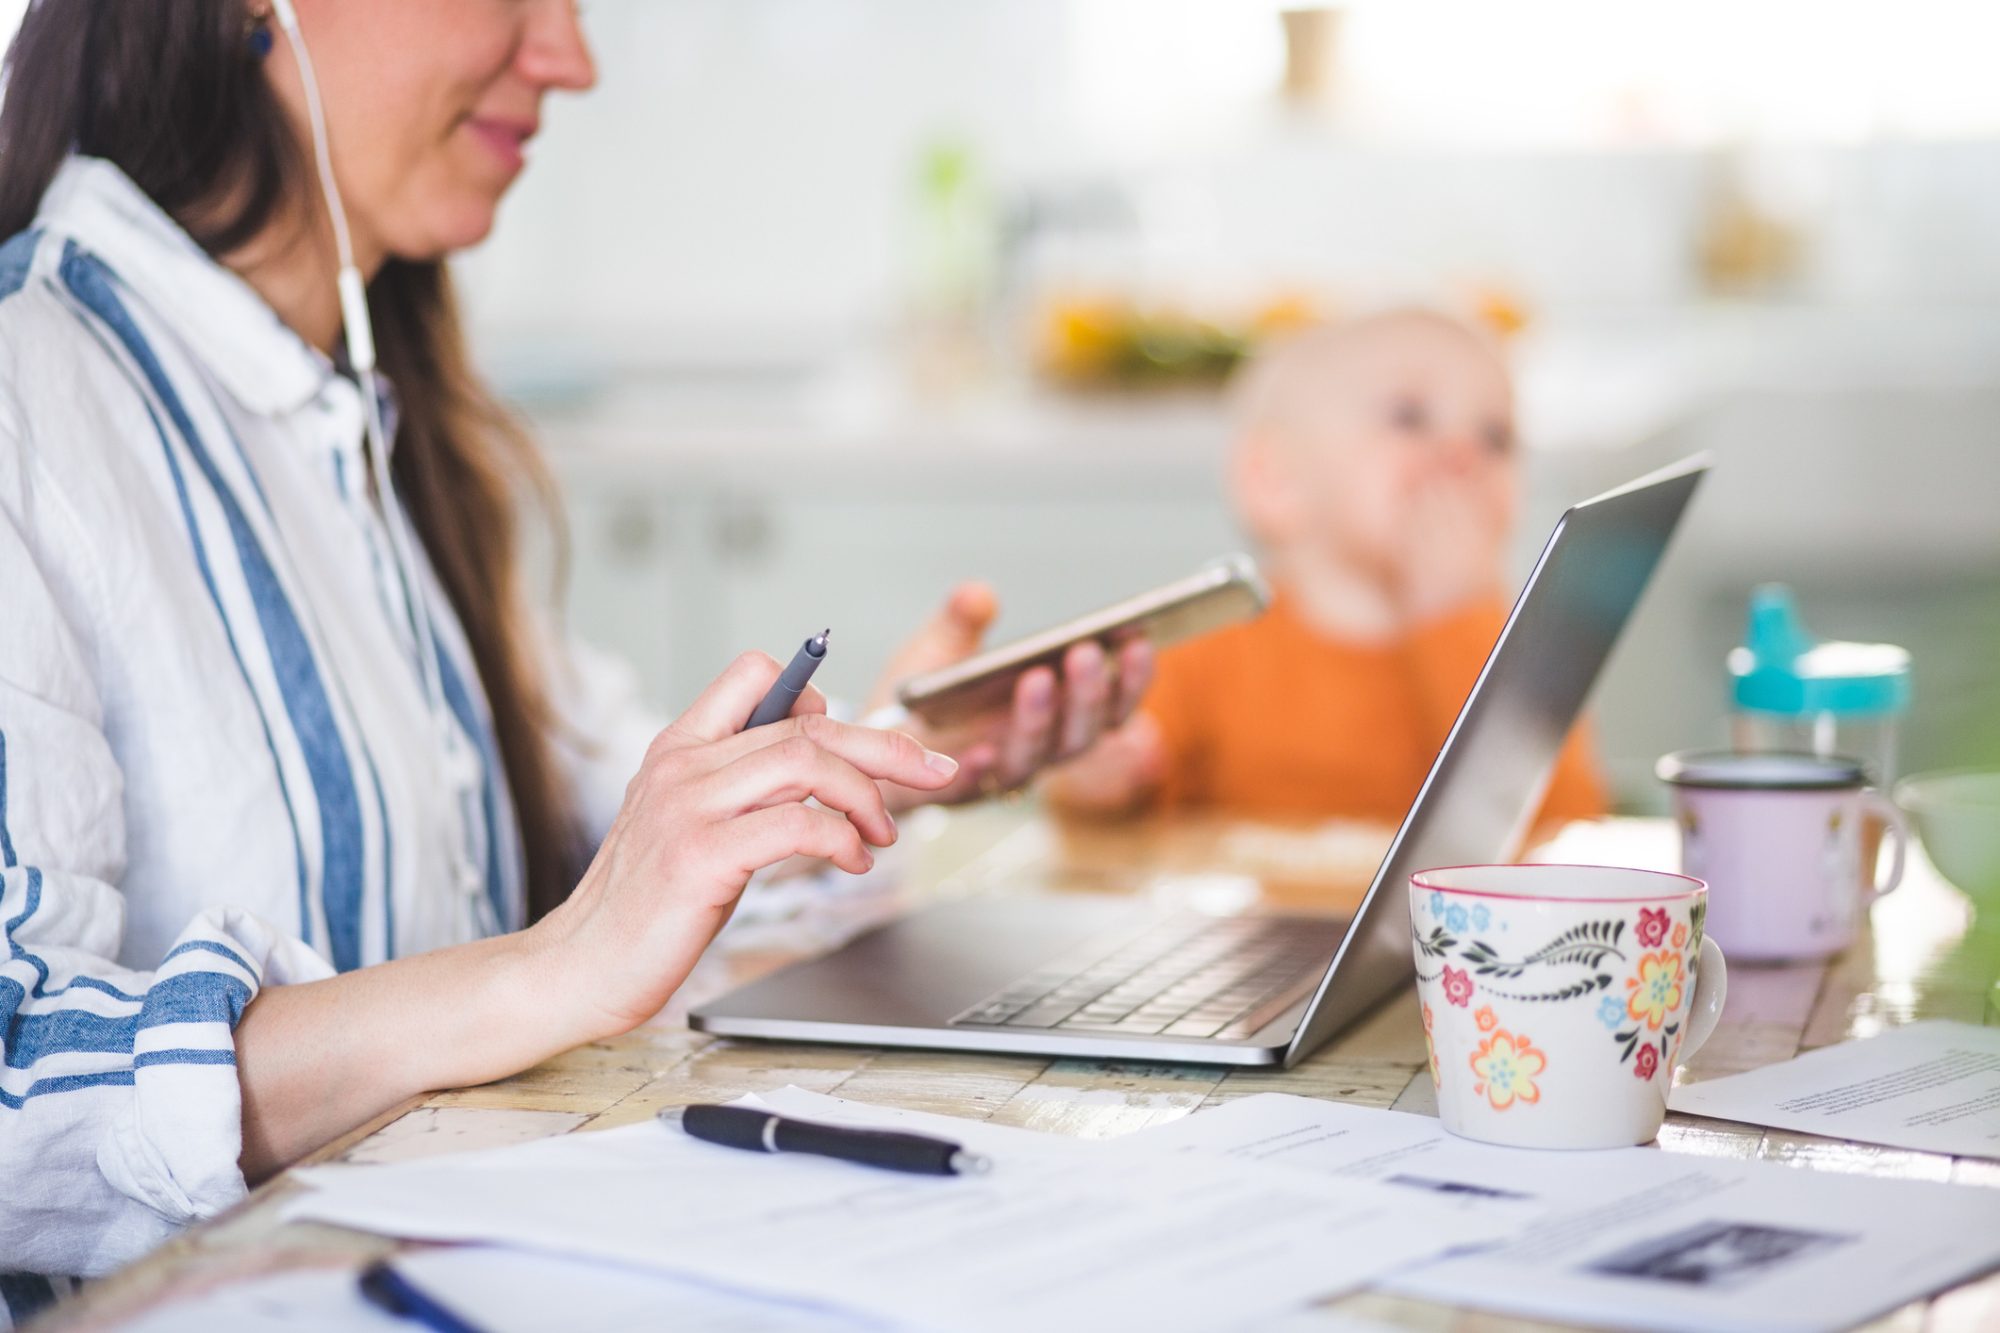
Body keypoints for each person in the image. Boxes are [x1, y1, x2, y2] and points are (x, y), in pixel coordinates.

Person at [0, 1, 1148, 1318]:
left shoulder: (368, 420)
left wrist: (880, 759)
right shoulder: (26, 396)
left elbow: (623, 845)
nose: (571, 59)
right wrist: (547, 969)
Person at [1049, 309, 1605, 827]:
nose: (1462, 454)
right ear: (1277, 481)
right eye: (1409, 418)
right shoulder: (1214, 646)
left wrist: (1458, 615)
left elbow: (1564, 832)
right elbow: (1112, 811)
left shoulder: (1511, 652)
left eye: (1496, 437)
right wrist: (1100, 778)